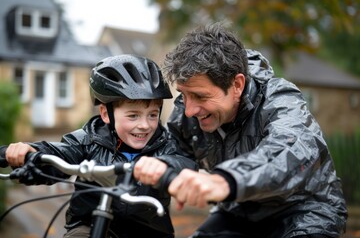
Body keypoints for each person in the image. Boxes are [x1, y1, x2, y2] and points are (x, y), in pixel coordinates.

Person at [160, 23, 348, 238]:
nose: (189, 110)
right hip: (240, 210)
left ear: (237, 85)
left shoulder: (280, 99)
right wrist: (164, 167)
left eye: (201, 96)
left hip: (302, 210)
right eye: (184, 94)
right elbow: (174, 149)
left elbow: (290, 148)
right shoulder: (188, 110)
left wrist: (225, 180)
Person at [0, 54, 196, 238]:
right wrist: (32, 153)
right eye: (133, 115)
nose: (145, 125)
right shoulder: (88, 139)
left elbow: (183, 163)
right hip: (89, 226)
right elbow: (61, 153)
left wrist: (166, 167)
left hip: (148, 232)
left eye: (152, 115)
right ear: (105, 114)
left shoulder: (166, 145)